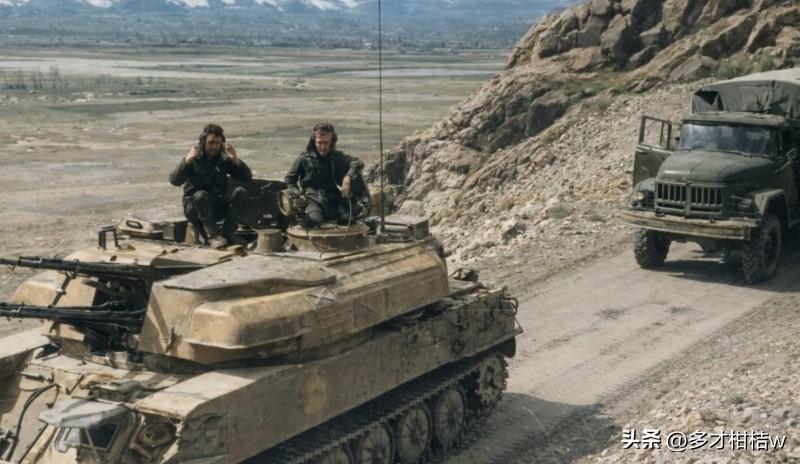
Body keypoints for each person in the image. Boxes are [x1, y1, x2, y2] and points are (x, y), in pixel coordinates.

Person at [169, 123, 252, 248]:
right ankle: (214, 236)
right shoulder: (194, 159)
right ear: (203, 142)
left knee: (241, 192)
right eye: (211, 143)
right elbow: (174, 181)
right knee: (200, 195)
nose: (214, 147)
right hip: (195, 208)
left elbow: (246, 177)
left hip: (216, 205)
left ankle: (228, 232)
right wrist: (187, 161)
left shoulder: (223, 160)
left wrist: (235, 159)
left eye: (217, 143)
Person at [285, 122, 364, 227]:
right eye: (319, 143)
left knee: (348, 219)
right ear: (314, 141)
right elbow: (290, 179)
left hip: (334, 199)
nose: (323, 147)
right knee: (314, 222)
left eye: (326, 142)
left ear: (332, 141)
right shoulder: (304, 159)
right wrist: (296, 194)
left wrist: (348, 177)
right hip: (312, 199)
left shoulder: (337, 156)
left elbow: (357, 163)